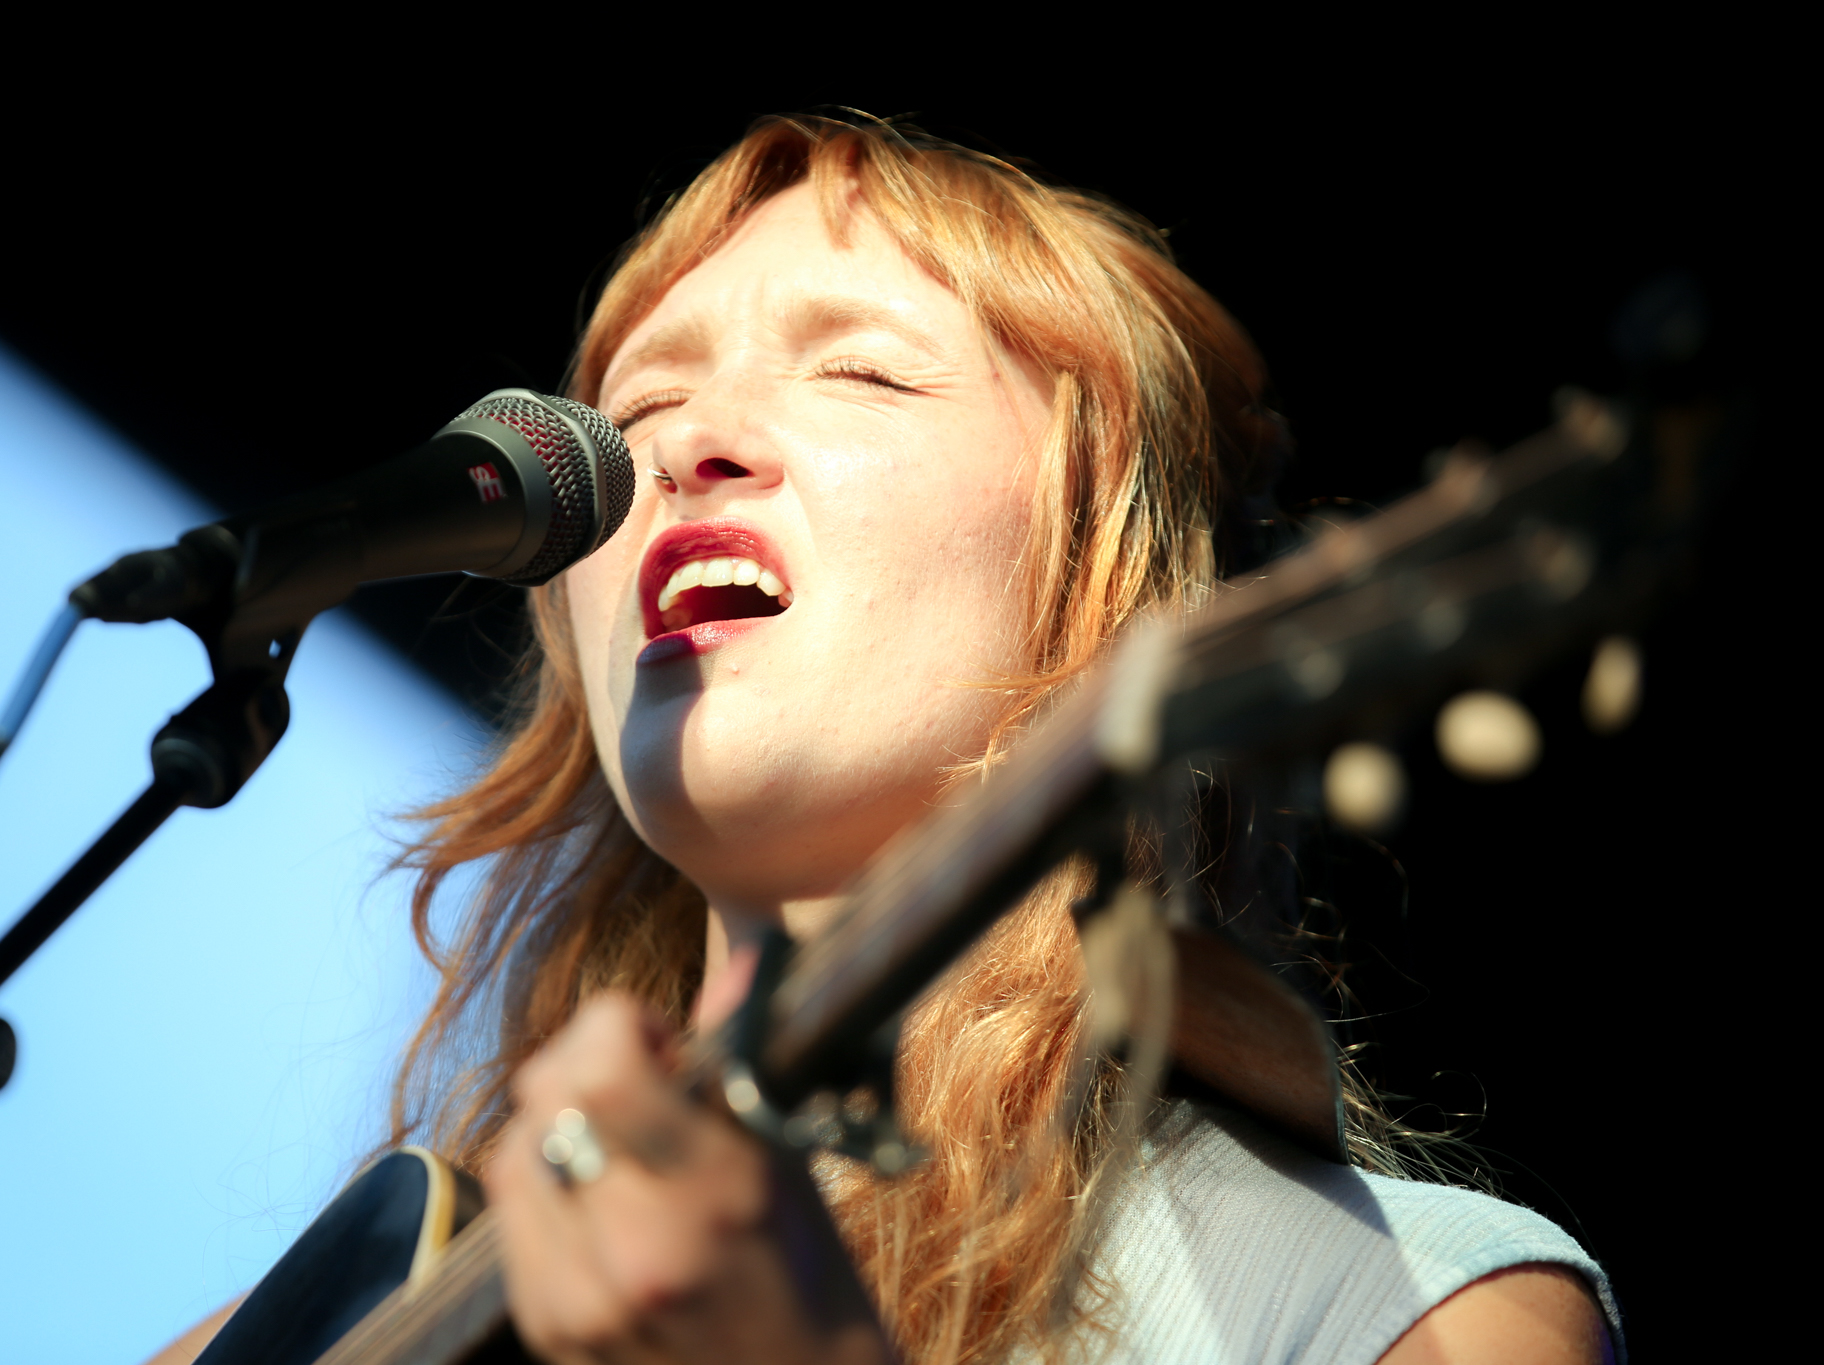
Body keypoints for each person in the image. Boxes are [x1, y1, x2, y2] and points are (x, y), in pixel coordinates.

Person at [155, 114, 1622, 1365]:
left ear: (1101, 565)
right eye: (640, 402)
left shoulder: (1409, 1308)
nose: (684, 442)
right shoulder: (294, 1330)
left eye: (858, 368)